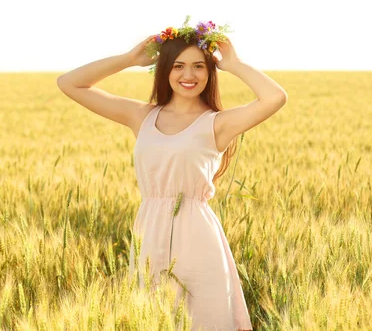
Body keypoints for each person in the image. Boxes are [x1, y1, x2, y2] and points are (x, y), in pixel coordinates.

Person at [57, 22, 287, 331]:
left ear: (210, 72)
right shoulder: (142, 116)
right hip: (149, 232)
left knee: (204, 320)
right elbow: (69, 83)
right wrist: (128, 59)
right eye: (178, 66)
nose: (188, 75)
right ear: (165, 70)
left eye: (198, 67)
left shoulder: (218, 123)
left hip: (197, 237)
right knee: (154, 319)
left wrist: (235, 64)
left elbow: (275, 98)